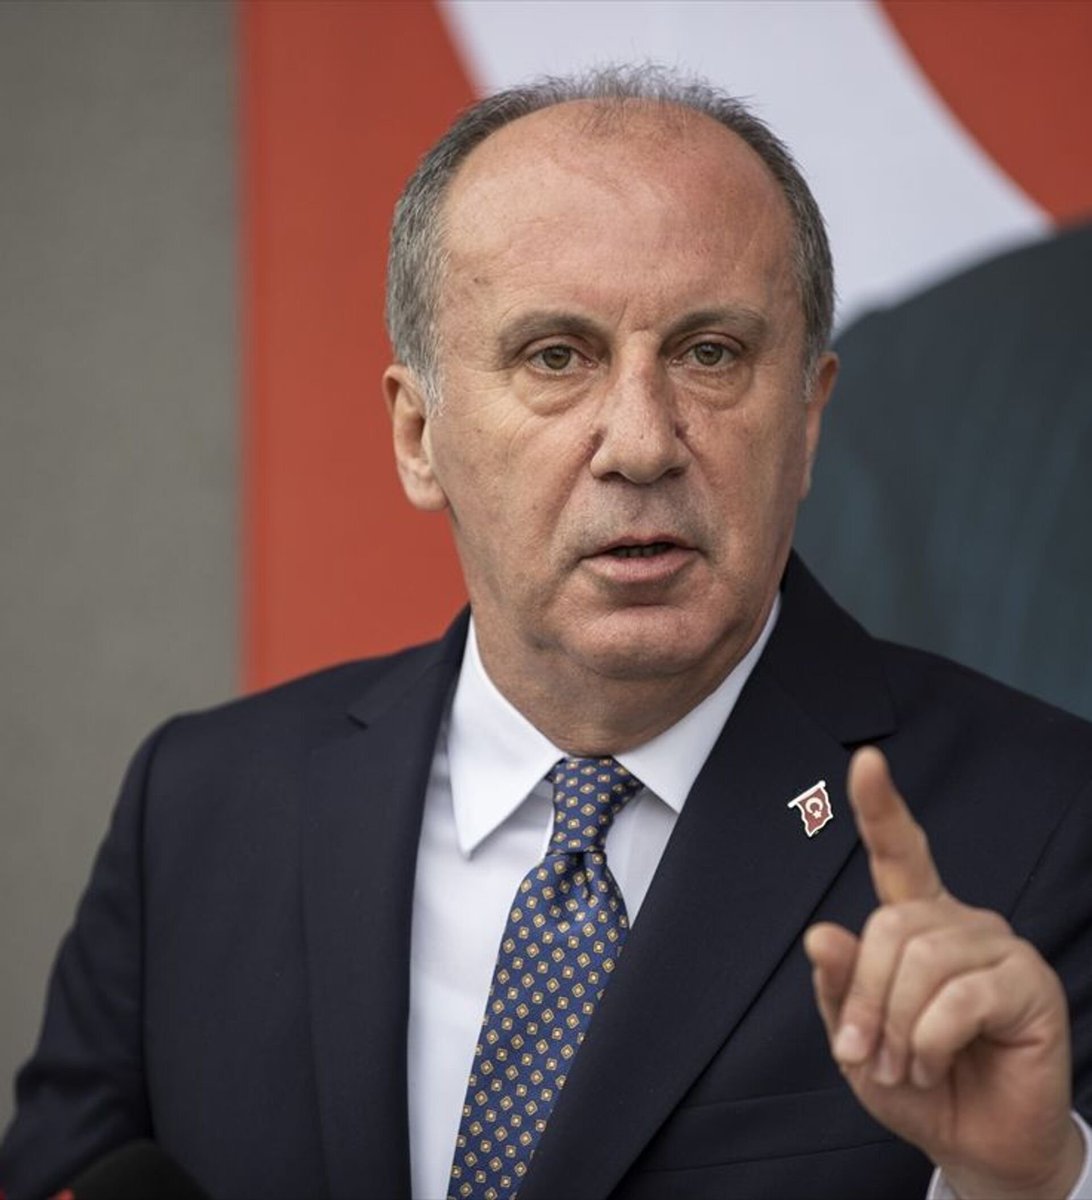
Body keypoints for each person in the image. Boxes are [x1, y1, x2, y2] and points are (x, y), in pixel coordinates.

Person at [2, 66, 1091, 1200]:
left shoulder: (1047, 824)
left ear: (809, 419)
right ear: (418, 436)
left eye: (710, 353)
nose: (642, 442)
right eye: (556, 357)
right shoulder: (197, 810)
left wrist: (1031, 1179)